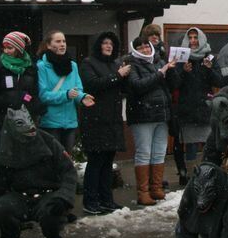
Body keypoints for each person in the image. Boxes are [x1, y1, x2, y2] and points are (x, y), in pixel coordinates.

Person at [0, 107, 76, 238]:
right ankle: (9, 235)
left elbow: (68, 171)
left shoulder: (49, 142)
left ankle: (53, 234)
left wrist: (63, 198)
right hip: (19, 197)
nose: (29, 127)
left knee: (53, 210)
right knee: (2, 207)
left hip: (47, 195)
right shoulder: (6, 153)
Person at [78, 32, 129, 215]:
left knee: (108, 163)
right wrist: (117, 76)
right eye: (105, 43)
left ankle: (107, 200)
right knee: (95, 162)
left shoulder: (115, 64)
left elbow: (121, 90)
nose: (109, 46)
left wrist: (124, 76)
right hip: (95, 120)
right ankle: (90, 201)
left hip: (113, 120)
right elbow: (92, 85)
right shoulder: (88, 63)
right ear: (98, 45)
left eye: (111, 44)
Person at [126, 37, 178, 206]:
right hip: (142, 115)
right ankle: (143, 192)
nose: (145, 50)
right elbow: (138, 86)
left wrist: (172, 70)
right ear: (135, 51)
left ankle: (156, 188)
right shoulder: (131, 64)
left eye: (147, 47)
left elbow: (174, 84)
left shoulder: (158, 61)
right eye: (140, 48)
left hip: (161, 115)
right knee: (144, 152)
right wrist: (160, 73)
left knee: (159, 152)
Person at [0, 31, 42, 154]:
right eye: (4, 48)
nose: (6, 51)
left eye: (9, 48)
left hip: (26, 122)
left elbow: (35, 94)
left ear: (19, 48)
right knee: (5, 159)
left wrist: (30, 105)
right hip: (3, 122)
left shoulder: (31, 68)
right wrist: (10, 101)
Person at [173, 27, 217, 185]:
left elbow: (218, 81)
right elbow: (174, 83)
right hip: (187, 108)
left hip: (204, 107)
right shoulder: (181, 57)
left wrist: (209, 69)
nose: (192, 40)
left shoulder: (209, 56)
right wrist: (183, 71)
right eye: (190, 37)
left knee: (208, 143)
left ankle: (207, 175)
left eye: (195, 37)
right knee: (190, 144)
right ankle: (192, 177)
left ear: (201, 39)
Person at [36, 31, 91, 153]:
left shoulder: (73, 65)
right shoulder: (41, 67)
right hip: (50, 122)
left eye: (64, 41)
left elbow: (77, 90)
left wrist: (82, 97)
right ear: (49, 45)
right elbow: (43, 95)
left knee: (67, 162)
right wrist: (65, 95)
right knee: (54, 161)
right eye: (58, 41)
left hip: (70, 121)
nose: (62, 44)